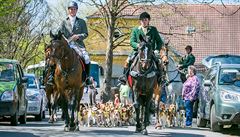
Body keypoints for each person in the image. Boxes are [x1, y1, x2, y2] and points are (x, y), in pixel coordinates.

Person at [47, 1, 90, 85]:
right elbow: (59, 33)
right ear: (68, 10)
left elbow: (85, 34)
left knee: (87, 58)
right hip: (66, 45)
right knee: (55, 57)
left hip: (78, 45)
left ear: (76, 10)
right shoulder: (64, 22)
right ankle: (51, 77)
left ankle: (86, 77)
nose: (72, 10)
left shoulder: (81, 21)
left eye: (74, 9)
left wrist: (78, 36)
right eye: (71, 9)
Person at [123, 12, 164, 77]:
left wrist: (157, 50)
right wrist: (137, 45)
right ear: (140, 21)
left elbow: (159, 42)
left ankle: (161, 78)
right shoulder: (135, 30)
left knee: (159, 62)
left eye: (145, 20)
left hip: (150, 51)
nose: (144, 22)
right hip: (138, 51)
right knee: (127, 61)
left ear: (148, 20)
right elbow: (132, 41)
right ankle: (124, 77)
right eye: (142, 20)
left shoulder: (153, 29)